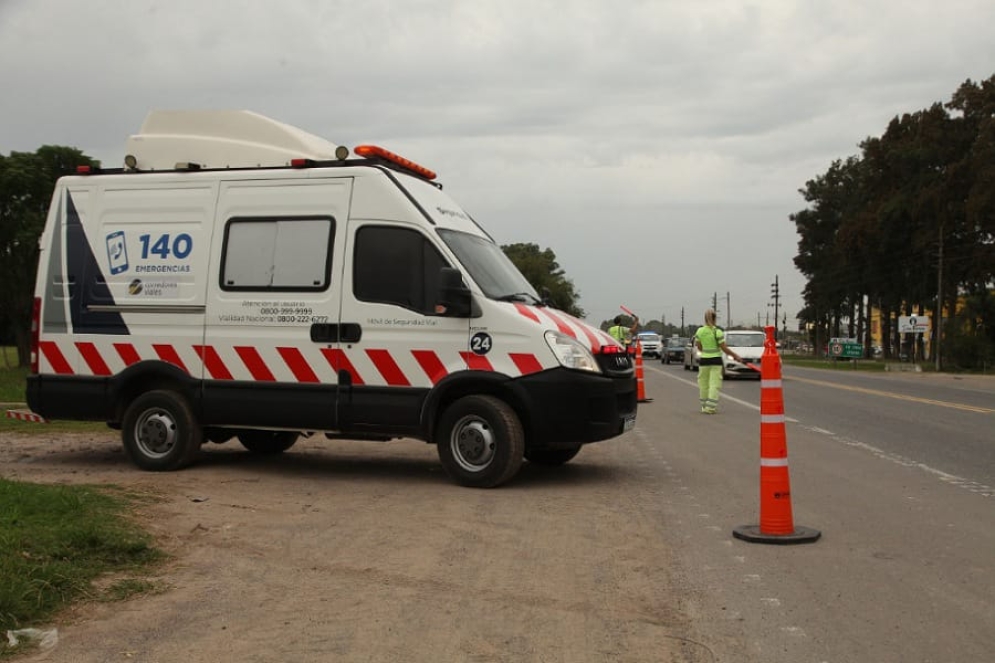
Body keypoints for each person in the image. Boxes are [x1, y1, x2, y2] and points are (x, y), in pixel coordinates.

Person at [694, 309, 742, 414]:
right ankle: (711, 407)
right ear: (715, 318)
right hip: (716, 361)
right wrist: (735, 356)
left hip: (704, 360)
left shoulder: (700, 331)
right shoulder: (717, 332)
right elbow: (724, 348)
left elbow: (699, 346)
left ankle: (704, 405)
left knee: (703, 384)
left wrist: (706, 351)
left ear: (705, 318)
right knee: (714, 384)